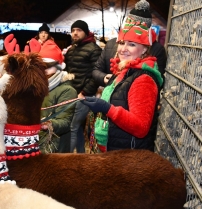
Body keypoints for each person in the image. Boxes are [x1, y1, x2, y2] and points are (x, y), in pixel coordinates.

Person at [81, 1, 164, 152]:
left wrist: (107, 108)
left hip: (127, 158)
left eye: (131, 45)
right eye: (121, 43)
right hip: (115, 151)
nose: (123, 49)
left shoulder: (144, 79)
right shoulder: (124, 71)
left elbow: (140, 127)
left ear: (144, 49)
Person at [92, 0, 167, 88]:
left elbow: (158, 78)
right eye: (131, 23)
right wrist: (104, 78)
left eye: (132, 44)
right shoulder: (111, 44)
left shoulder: (157, 49)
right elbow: (96, 70)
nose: (123, 49)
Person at [64, 20, 102, 153]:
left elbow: (96, 75)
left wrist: (85, 92)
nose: (75, 33)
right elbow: (68, 71)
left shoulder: (93, 49)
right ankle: (81, 156)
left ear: (85, 32)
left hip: (84, 94)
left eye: (78, 30)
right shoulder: (72, 49)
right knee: (78, 127)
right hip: (72, 93)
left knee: (72, 127)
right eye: (73, 30)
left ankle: (64, 160)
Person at [38, 42, 77, 153]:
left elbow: (65, 121)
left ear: (59, 66)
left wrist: (48, 124)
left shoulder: (67, 90)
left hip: (54, 147)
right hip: (37, 142)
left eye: (48, 66)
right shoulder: (37, 86)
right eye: (41, 66)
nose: (44, 70)